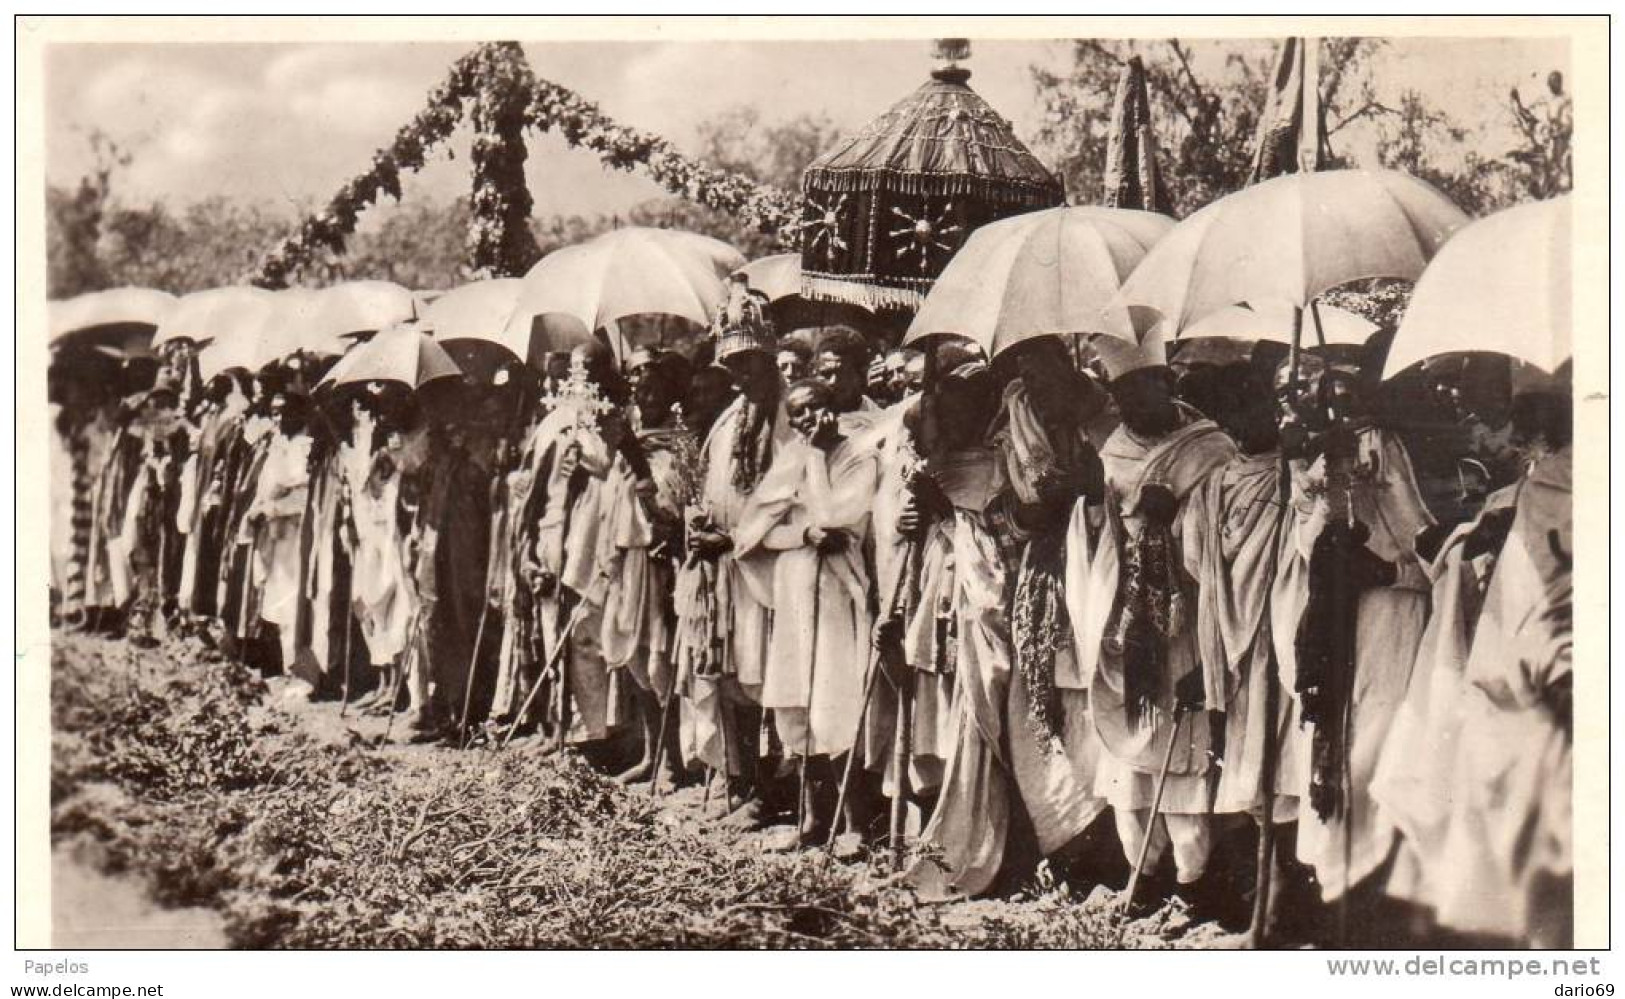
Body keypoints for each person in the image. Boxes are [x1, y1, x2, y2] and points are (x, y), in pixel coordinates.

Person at [1072, 334, 1237, 912]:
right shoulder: (1110, 449)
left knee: (1181, 742)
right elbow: (1094, 530)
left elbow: (1222, 527)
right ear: (1115, 395)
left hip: (1186, 610)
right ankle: (1140, 874)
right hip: (1122, 611)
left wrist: (1175, 516)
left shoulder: (1210, 447)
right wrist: (1098, 506)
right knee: (1126, 747)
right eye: (1126, 391)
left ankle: (1192, 883)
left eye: (1151, 385)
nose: (1140, 400)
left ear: (1168, 384)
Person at [1274, 351, 1433, 920]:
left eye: (1355, 394)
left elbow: (1427, 545)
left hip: (1394, 617)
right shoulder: (1329, 453)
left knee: (1377, 743)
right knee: (1334, 738)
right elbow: (1306, 545)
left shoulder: (1398, 448)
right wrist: (1315, 478)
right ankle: (1338, 884)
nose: (1347, 406)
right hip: (1340, 621)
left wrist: (1386, 570)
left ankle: (1376, 887)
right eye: (1335, 399)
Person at [1179, 346, 1304, 927]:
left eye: (1257, 406)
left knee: (1281, 769)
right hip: (1234, 641)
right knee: (1250, 771)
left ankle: (1277, 908)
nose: (1247, 420)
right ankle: (1262, 905)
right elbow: (1199, 561)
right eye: (1235, 411)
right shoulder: (1219, 481)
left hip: (1279, 637)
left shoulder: (1295, 474)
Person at [985, 335, 1114, 880]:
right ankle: (1066, 847)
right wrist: (1041, 505)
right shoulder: (1016, 427)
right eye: (1026, 376)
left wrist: (1092, 486)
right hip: (1046, 574)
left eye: (1044, 372)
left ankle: (1111, 849)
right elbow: (1004, 511)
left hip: (1105, 567)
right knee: (1042, 704)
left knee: (1097, 700)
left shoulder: (1106, 417)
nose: (1036, 386)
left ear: (1068, 364)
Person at [734, 378, 880, 843]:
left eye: (813, 407)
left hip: (837, 594)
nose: (805, 421)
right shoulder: (790, 458)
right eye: (795, 414)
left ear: (831, 406)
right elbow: (756, 531)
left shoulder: (858, 456)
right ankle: (814, 819)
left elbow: (836, 520)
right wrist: (799, 534)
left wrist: (816, 463)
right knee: (797, 702)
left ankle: (854, 822)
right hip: (795, 588)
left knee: (834, 702)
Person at [675, 282, 789, 820]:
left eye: (749, 363)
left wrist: (738, 538)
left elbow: (792, 494)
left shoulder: (789, 416)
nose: (742, 377)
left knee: (765, 676)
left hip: (768, 568)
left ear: (768, 357)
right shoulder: (729, 417)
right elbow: (706, 483)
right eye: (734, 367)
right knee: (727, 675)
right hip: (723, 567)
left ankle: (770, 792)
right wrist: (697, 521)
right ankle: (739, 782)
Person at [598, 351, 698, 784]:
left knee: (660, 658)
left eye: (654, 388)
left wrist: (634, 454)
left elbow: (665, 508)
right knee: (633, 655)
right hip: (628, 560)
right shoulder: (632, 439)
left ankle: (674, 759)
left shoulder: (676, 442)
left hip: (658, 560)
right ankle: (652, 753)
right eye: (638, 389)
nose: (645, 395)